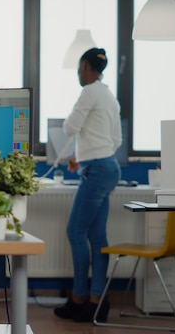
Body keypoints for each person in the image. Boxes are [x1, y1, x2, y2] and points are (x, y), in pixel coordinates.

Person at [53, 47, 121, 323]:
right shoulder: (108, 95)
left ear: (85, 67)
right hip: (107, 167)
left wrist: (85, 160)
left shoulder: (89, 91)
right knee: (97, 237)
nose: (79, 74)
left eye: (80, 69)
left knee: (75, 231)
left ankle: (79, 298)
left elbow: (70, 127)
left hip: (96, 170)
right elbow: (114, 141)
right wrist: (80, 158)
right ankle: (96, 302)